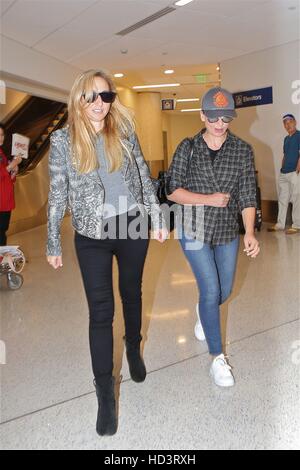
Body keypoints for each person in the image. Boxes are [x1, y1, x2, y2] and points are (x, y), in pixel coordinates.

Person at [46, 69, 167, 436]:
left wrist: (157, 217)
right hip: (91, 235)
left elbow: (145, 176)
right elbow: (57, 193)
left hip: (130, 225)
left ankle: (133, 347)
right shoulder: (63, 140)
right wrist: (53, 240)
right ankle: (105, 394)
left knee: (132, 294)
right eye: (92, 97)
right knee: (101, 312)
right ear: (79, 101)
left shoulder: (125, 133)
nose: (100, 104)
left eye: (106, 96)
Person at [167, 87, 260, 388]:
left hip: (225, 231)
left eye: (226, 118)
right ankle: (217, 359)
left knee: (224, 290)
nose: (220, 124)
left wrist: (249, 231)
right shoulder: (188, 147)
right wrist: (208, 198)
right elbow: (172, 190)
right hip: (193, 228)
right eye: (214, 117)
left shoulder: (242, 150)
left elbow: (247, 195)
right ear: (202, 115)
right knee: (210, 290)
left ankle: (202, 313)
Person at [268, 114, 300, 234]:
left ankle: (296, 225)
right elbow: (285, 155)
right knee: (282, 199)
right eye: (285, 123)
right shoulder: (286, 139)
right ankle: (280, 224)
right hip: (284, 173)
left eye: (290, 121)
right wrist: (282, 168)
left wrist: (297, 169)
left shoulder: (299, 135)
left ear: (295, 122)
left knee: (297, 198)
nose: (288, 124)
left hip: (294, 172)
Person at [0, 123, 21, 246]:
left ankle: (1, 261)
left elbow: (6, 178)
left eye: (2, 135)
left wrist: (13, 173)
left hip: (5, 202)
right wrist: (10, 167)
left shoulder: (1, 153)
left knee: (2, 232)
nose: (1, 138)